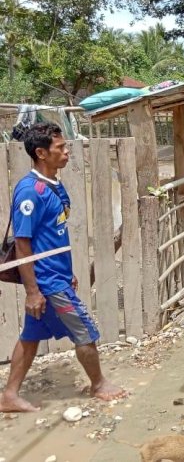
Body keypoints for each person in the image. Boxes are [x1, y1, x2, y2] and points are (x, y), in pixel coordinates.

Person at [0, 123, 126, 413]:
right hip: (47, 282)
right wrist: (33, 290)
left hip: (57, 276)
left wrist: (67, 273)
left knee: (31, 336)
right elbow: (23, 244)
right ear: (41, 153)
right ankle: (99, 384)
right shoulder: (30, 192)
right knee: (85, 331)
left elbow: (52, 235)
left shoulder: (54, 184)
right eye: (60, 148)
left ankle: (9, 395)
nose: (67, 151)